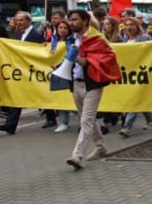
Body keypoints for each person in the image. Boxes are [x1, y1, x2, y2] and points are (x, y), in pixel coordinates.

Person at [63, 9, 121, 169]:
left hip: (93, 82)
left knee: (86, 120)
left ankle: (77, 155)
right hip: (76, 82)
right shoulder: (71, 39)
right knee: (87, 118)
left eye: (74, 19)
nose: (71, 22)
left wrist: (87, 62)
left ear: (85, 21)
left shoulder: (97, 38)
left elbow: (108, 57)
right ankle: (100, 147)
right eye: (70, 19)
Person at [0, 12, 45, 134]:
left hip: (33, 72)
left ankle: (51, 117)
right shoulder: (18, 34)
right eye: (17, 20)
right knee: (17, 96)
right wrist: (0, 41)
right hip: (20, 72)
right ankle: (10, 125)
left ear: (29, 21)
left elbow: (41, 52)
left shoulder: (36, 35)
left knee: (42, 94)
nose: (19, 23)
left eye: (21, 20)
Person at [51, 20, 76, 133]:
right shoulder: (53, 41)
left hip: (69, 71)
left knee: (73, 98)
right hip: (56, 73)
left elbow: (71, 55)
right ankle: (63, 122)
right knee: (61, 96)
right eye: (60, 27)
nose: (62, 30)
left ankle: (84, 120)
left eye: (65, 28)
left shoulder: (72, 41)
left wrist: (60, 65)